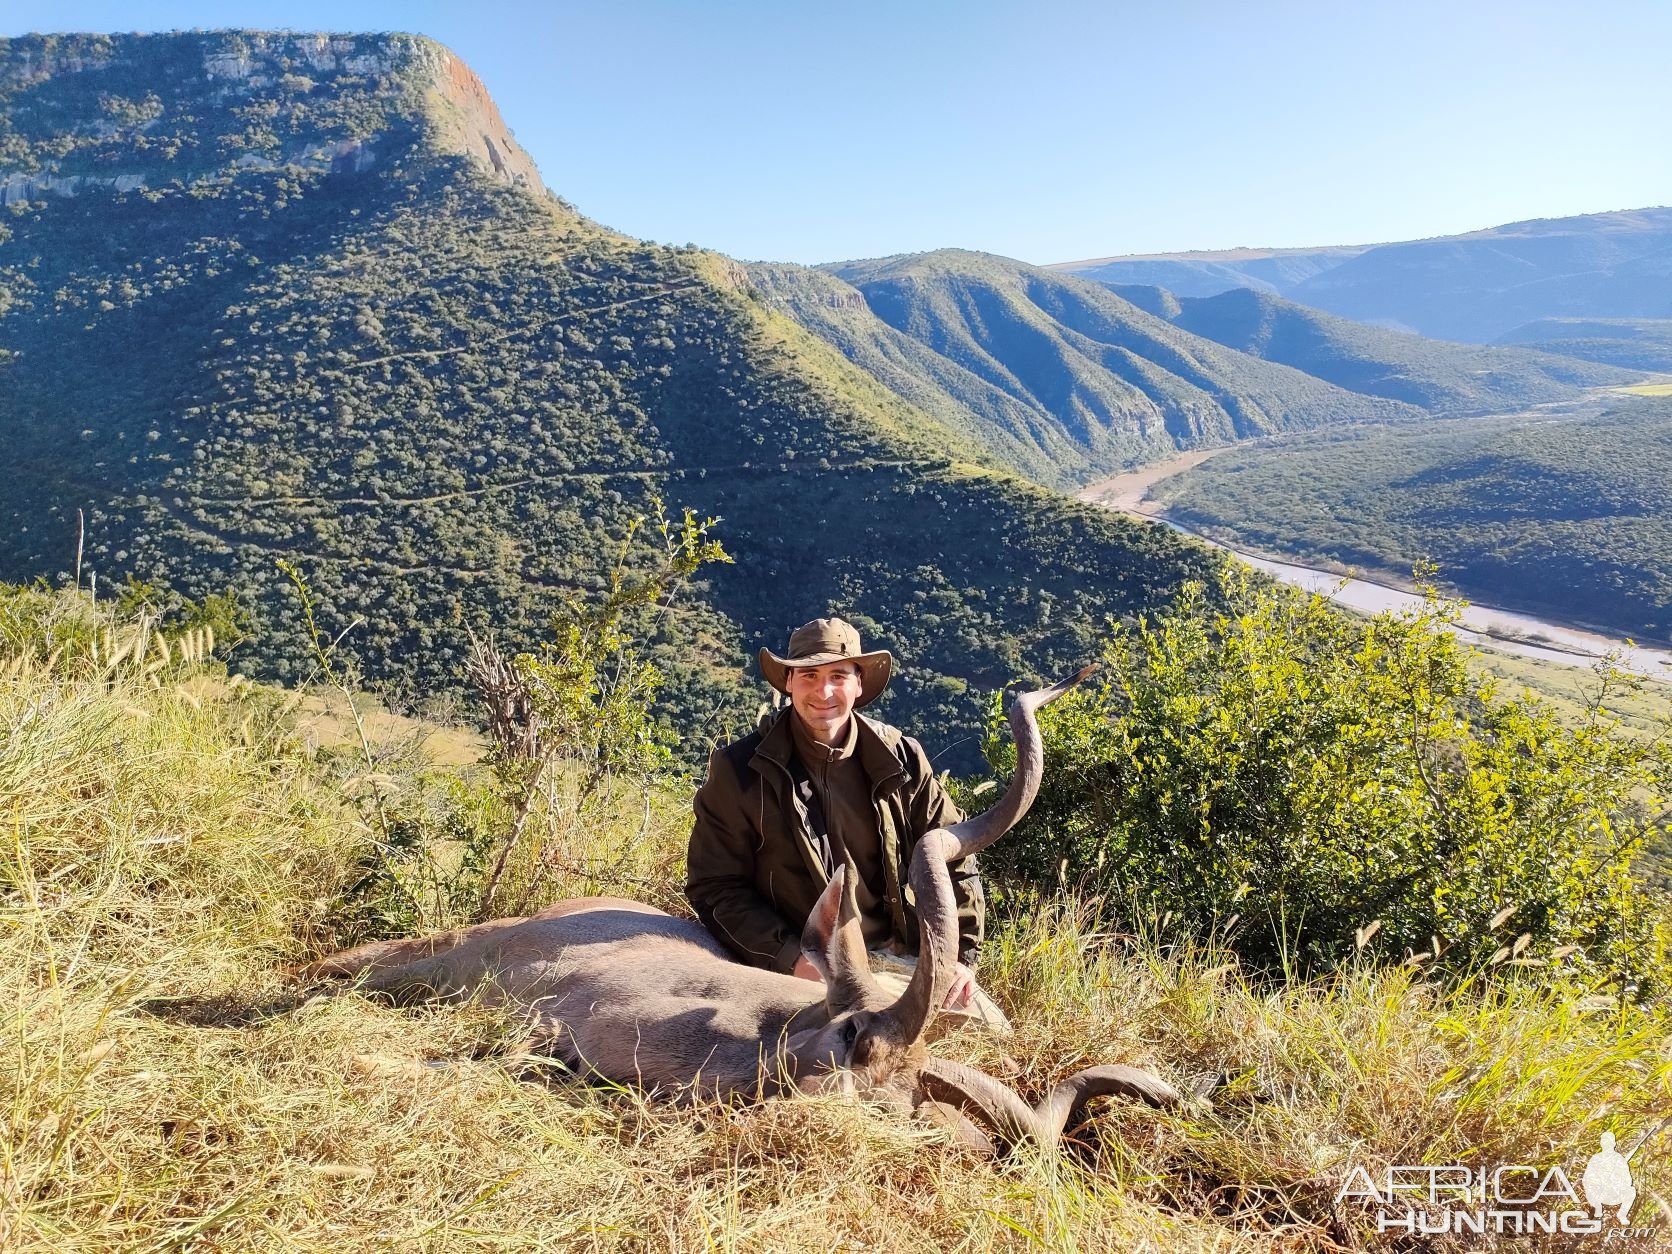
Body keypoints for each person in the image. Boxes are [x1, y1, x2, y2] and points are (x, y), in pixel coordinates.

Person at [685, 616, 992, 1015]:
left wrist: (959, 958)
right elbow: (716, 887)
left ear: (858, 684)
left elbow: (953, 858)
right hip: (800, 965)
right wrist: (790, 958)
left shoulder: (901, 759)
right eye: (809, 675)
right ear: (788, 682)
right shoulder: (740, 770)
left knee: (988, 1030)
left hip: (894, 954)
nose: (823, 690)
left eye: (838, 675)